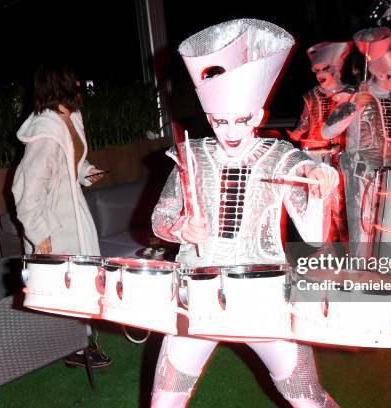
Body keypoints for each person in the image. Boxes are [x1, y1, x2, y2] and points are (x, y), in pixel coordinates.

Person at [150, 19, 340, 407]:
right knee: (164, 402)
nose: (230, 131)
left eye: (242, 120)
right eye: (220, 122)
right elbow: (159, 219)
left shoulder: (281, 156)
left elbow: (311, 225)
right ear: (208, 118)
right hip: (197, 295)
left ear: (258, 115)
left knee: (307, 399)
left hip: (264, 295)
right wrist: (182, 228)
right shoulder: (191, 156)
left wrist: (319, 177)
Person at [11, 63, 112, 368]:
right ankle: (76, 348)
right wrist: (40, 232)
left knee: (80, 282)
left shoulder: (71, 118)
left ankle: (80, 344)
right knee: (67, 286)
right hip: (55, 221)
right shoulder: (45, 132)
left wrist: (85, 172)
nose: (80, 85)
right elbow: (26, 190)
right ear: (61, 86)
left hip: (74, 213)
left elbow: (70, 163)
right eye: (75, 81)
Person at [322, 27, 391, 258]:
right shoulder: (355, 95)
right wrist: (354, 107)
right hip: (363, 175)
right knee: (363, 232)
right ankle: (360, 281)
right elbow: (327, 131)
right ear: (382, 71)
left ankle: (388, 277)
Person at [287, 42, 354, 243]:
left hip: (341, 159)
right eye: (317, 70)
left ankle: (347, 251)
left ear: (336, 69)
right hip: (315, 156)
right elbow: (305, 121)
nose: (320, 74)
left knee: (341, 206)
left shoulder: (351, 94)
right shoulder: (310, 96)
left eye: (325, 69)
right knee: (317, 202)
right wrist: (297, 133)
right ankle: (324, 250)